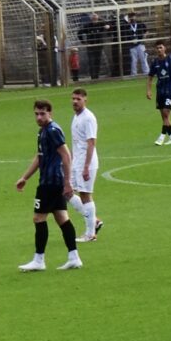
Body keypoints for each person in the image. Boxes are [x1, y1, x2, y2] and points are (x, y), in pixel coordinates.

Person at [14, 99, 81, 272]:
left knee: (38, 218)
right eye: (36, 113)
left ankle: (39, 260)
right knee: (62, 218)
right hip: (51, 182)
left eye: (42, 113)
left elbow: (66, 156)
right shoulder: (42, 132)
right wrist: (25, 177)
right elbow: (40, 156)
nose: (39, 117)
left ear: (50, 113)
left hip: (51, 183)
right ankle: (74, 257)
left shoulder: (52, 130)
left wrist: (68, 182)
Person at [68, 88, 103, 242]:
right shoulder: (76, 117)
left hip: (86, 162)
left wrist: (86, 166)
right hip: (77, 161)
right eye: (73, 98)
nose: (75, 101)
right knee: (66, 192)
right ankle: (94, 221)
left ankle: (90, 234)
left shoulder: (88, 118)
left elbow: (91, 143)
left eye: (78, 99)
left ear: (85, 100)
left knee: (85, 195)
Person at [146, 40, 171, 145]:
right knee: (164, 116)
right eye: (157, 48)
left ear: (164, 48)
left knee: (166, 114)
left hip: (170, 91)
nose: (159, 50)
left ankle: (161, 136)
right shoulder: (155, 63)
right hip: (160, 92)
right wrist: (148, 90)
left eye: (160, 47)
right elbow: (150, 77)